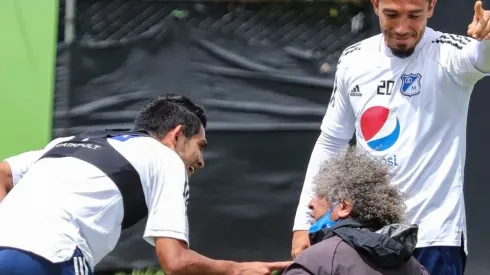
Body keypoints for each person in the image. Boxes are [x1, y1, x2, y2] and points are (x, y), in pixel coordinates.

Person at [291, 0, 490, 274]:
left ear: (431, 6)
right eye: (392, 14)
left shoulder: (449, 54)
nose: (402, 27)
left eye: (415, 15)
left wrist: (489, 37)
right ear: (375, 4)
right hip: (366, 237)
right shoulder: (354, 59)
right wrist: (303, 222)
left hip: (434, 238)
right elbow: (331, 142)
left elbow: (482, 58)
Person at [0, 94, 291, 275]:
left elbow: (3, 173)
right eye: (200, 146)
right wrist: (237, 269)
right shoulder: (166, 158)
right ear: (176, 136)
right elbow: (175, 262)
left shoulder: (72, 140)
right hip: (52, 257)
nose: (201, 160)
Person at [283, 147, 428, 275]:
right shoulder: (412, 265)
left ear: (344, 207)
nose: (310, 203)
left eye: (321, 194)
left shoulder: (315, 261)